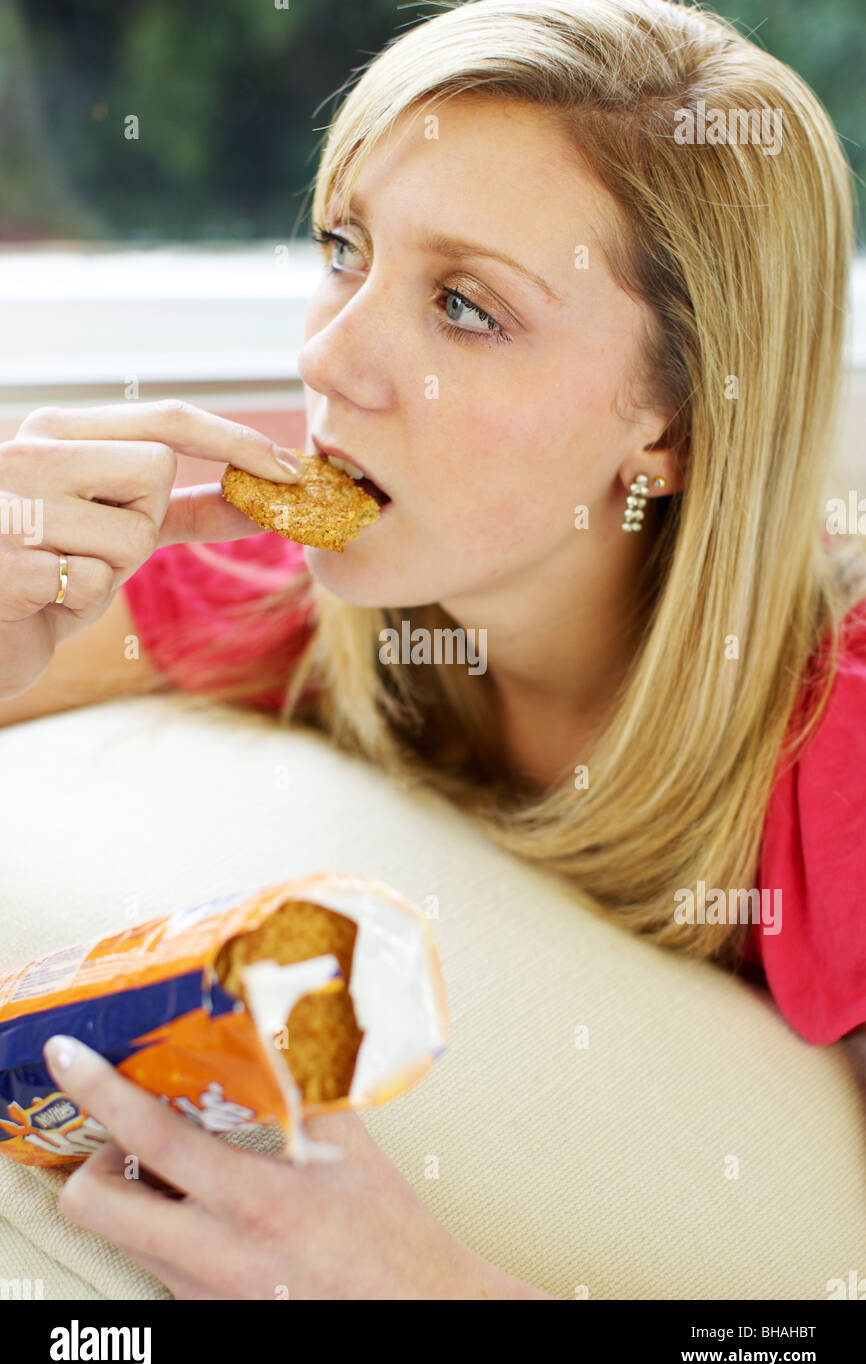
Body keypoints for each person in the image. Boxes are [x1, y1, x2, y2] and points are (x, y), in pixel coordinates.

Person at [2, 0, 865, 1298]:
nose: (325, 355)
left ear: (676, 424)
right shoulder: (313, 597)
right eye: (344, 246)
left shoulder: (836, 758)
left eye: (465, 306)